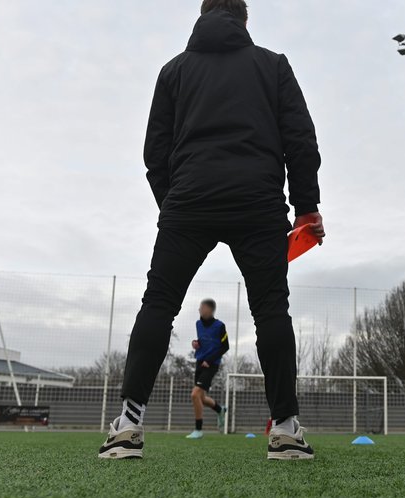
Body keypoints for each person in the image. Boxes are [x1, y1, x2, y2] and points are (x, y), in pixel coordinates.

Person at [99, 0, 324, 460]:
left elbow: (154, 151)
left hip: (190, 201)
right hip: (257, 202)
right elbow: (300, 138)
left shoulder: (173, 71)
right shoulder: (273, 66)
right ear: (245, 19)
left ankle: (128, 425)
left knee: (158, 305)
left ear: (201, 16)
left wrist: (174, 202)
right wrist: (307, 208)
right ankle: (284, 429)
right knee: (270, 311)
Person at [186, 299, 229, 439]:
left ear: (209, 310)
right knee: (202, 398)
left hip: (211, 364)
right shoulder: (198, 324)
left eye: (201, 307)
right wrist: (196, 343)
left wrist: (209, 360)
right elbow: (203, 341)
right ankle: (220, 409)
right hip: (199, 363)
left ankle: (198, 430)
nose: (199, 309)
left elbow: (225, 346)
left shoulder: (220, 326)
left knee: (194, 394)